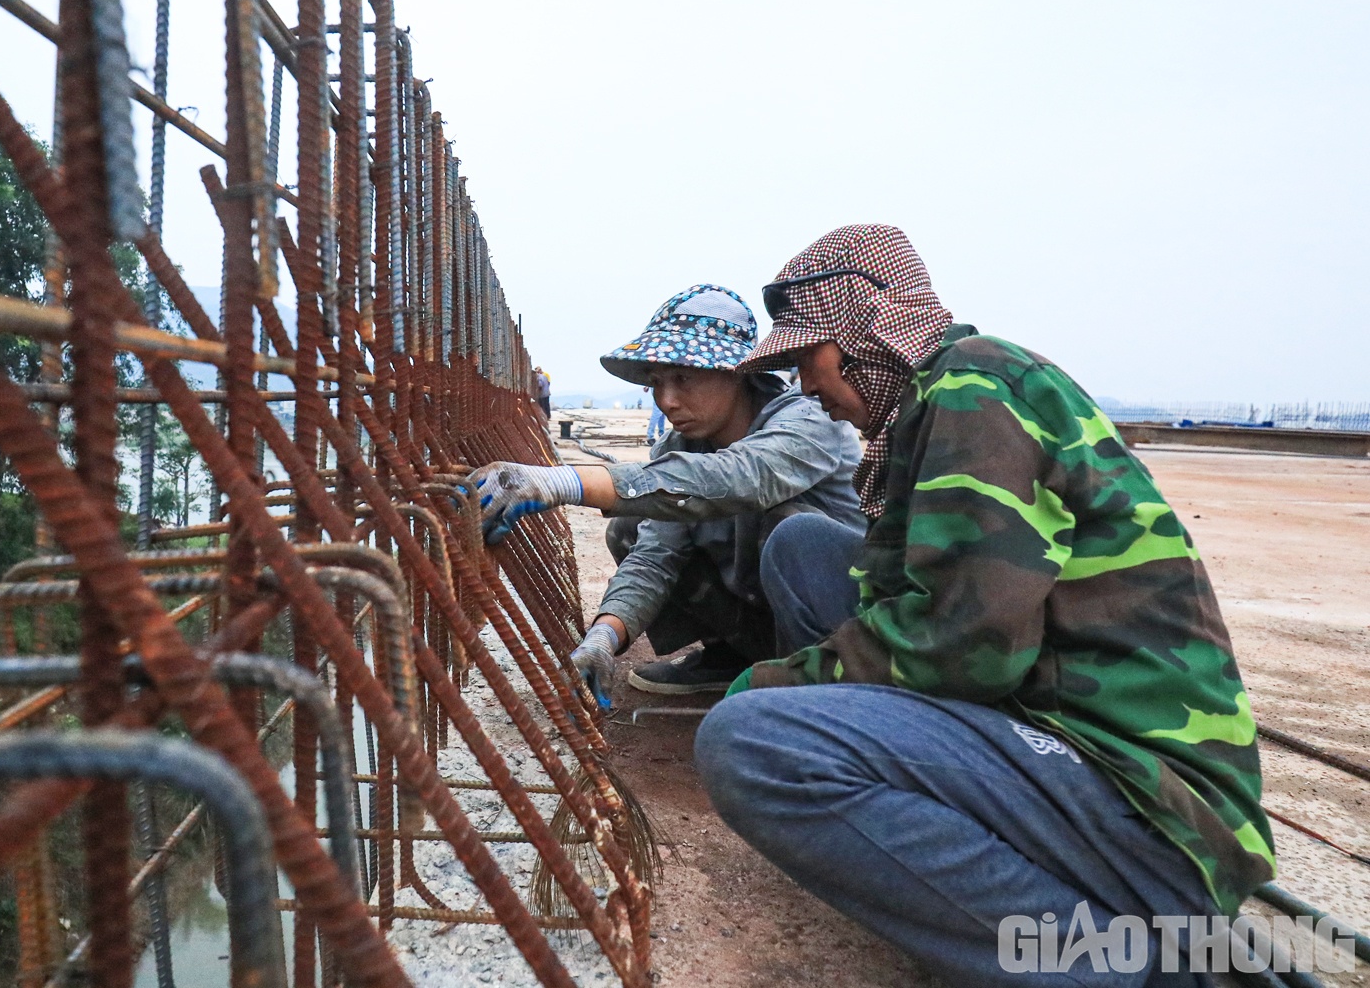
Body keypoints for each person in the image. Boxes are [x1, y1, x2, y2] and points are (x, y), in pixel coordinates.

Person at [694, 224, 1272, 984]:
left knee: (752, 742)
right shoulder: (939, 398)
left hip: (1152, 808)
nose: (806, 385)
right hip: (1052, 722)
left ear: (864, 336)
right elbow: (922, 612)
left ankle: (1122, 965)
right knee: (804, 549)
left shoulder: (974, 386)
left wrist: (767, 688)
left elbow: (962, 648)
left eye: (809, 359)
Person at [468, 284, 864, 702]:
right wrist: (605, 635)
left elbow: (740, 477)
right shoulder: (682, 445)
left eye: (684, 378)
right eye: (657, 382)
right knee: (632, 525)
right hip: (768, 622)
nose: (667, 400)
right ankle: (734, 656)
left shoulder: (808, 417)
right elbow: (655, 555)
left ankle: (824, 694)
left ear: (739, 374)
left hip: (847, 623)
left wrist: (566, 481)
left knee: (793, 533)